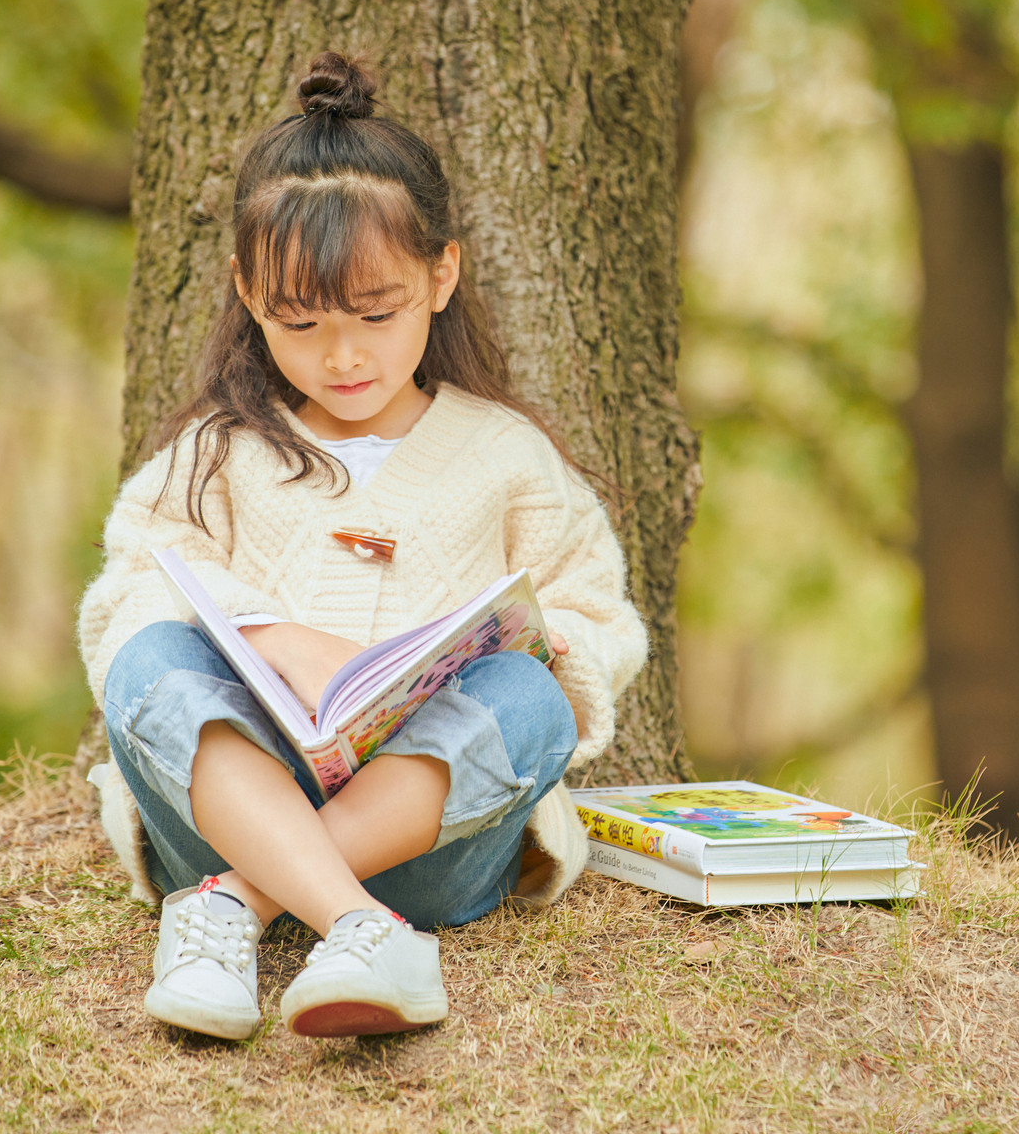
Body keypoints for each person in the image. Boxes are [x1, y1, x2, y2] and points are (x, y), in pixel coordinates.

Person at [78, 51, 647, 1042]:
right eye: (299, 322)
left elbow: (598, 612)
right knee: (146, 653)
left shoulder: (506, 454)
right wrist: (274, 635)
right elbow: (129, 587)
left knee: (531, 693)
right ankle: (354, 925)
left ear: (441, 274)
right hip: (226, 810)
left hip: (431, 844)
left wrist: (546, 646)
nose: (343, 356)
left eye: (377, 316)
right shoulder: (220, 451)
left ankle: (237, 909)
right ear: (247, 293)